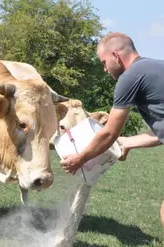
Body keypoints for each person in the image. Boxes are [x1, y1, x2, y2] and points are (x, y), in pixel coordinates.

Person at [60, 32, 164, 235]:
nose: (105, 69)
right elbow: (160, 135)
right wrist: (128, 142)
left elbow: (109, 133)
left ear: (116, 55)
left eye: (104, 62)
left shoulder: (130, 77)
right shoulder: (155, 67)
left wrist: (79, 159)